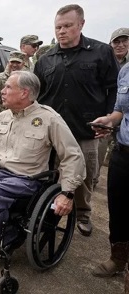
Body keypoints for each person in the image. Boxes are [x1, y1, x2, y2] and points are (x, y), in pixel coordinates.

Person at [0, 71, 86, 261]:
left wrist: (67, 193)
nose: (2, 91)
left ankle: (9, 237)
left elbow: (73, 155)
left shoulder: (49, 119)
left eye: (8, 87)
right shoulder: (4, 116)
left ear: (24, 93)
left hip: (27, 179)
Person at [34, 4, 120, 236]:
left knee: (82, 175)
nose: (61, 31)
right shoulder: (45, 59)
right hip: (50, 132)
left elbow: (113, 89)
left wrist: (110, 119)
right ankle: (46, 210)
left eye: (67, 26)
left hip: (85, 129)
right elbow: (37, 94)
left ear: (81, 24)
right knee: (47, 172)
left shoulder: (101, 52)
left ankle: (82, 213)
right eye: (58, 27)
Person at [89, 63, 129, 293]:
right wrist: (109, 121)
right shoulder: (125, 71)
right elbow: (121, 111)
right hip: (123, 152)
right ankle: (118, 259)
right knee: (119, 210)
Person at [95, 27, 129, 189]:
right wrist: (109, 120)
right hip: (111, 119)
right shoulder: (123, 71)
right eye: (116, 41)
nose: (120, 45)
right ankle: (94, 179)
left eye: (125, 41)